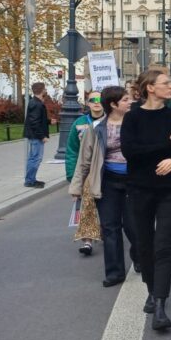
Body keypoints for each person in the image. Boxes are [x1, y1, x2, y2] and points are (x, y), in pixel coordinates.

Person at [121, 69, 171, 331]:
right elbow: (131, 152)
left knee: (163, 245)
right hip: (140, 189)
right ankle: (152, 292)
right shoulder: (132, 118)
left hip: (169, 189)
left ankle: (161, 306)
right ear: (150, 88)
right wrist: (166, 145)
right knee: (145, 244)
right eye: (166, 83)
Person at [70, 86, 137, 287]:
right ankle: (114, 272)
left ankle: (140, 257)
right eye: (125, 100)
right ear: (114, 105)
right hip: (107, 181)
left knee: (133, 227)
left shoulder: (136, 124)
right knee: (110, 227)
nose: (130, 102)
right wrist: (76, 187)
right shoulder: (97, 128)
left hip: (134, 182)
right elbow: (84, 159)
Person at [66, 90, 104, 256]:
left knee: (106, 207)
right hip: (87, 173)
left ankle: (104, 231)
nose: (96, 102)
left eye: (100, 99)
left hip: (105, 172)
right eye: (92, 100)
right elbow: (72, 151)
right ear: (87, 103)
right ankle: (87, 240)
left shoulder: (111, 121)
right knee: (87, 207)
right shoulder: (80, 123)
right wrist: (72, 177)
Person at [23, 82, 49, 188]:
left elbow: (37, 120)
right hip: (36, 136)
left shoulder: (36, 102)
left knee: (33, 158)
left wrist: (48, 121)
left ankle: (31, 179)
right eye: (45, 88)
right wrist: (42, 136)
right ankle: (29, 181)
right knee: (35, 158)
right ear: (41, 90)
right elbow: (34, 123)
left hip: (34, 135)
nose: (46, 90)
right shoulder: (36, 104)